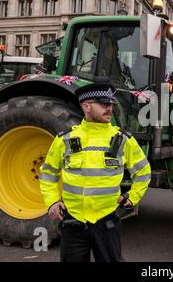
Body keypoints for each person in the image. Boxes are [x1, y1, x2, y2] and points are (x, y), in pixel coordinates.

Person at [39, 82, 151, 262]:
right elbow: (48, 175)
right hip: (73, 221)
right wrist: (52, 201)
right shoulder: (65, 140)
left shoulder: (122, 140)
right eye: (104, 104)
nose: (110, 108)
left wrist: (132, 197)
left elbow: (143, 172)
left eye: (111, 104)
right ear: (86, 106)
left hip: (106, 221)